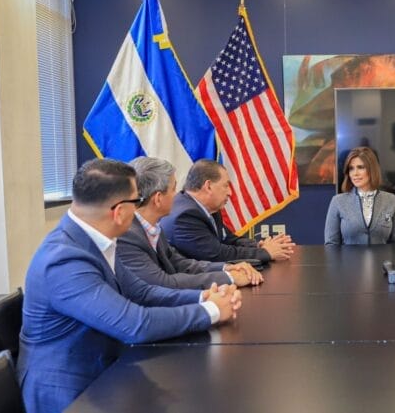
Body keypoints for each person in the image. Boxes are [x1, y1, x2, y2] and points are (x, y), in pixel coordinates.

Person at [16, 159, 241, 413]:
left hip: (106, 369)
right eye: (137, 201)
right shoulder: (65, 261)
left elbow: (143, 292)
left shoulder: (96, 241)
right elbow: (135, 325)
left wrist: (203, 297)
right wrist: (211, 311)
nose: (140, 209)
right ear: (120, 211)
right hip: (69, 392)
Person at [118, 157, 263, 289]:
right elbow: (162, 283)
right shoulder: (126, 236)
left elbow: (179, 263)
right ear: (158, 199)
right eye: (173, 189)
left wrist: (226, 268)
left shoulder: (152, 227)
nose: (177, 195)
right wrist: (229, 278)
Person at [160, 159, 295, 263]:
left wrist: (258, 245)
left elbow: (228, 239)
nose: (230, 193)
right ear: (208, 186)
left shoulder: (207, 207)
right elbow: (217, 254)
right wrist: (266, 253)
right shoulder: (185, 216)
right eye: (226, 186)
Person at [325, 147, 395, 245]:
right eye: (351, 168)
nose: (355, 173)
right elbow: (331, 245)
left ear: (372, 170)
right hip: (349, 256)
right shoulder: (338, 201)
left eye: (360, 167)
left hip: (383, 255)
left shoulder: (392, 200)